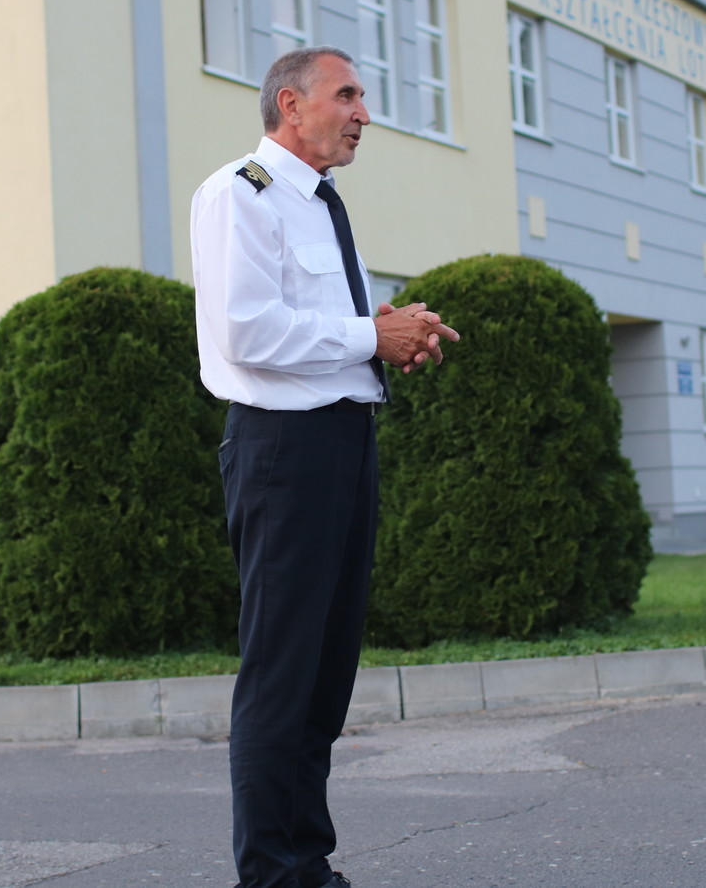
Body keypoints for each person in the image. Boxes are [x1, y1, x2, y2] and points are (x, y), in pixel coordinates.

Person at [190, 45, 459, 888]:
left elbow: (321, 331)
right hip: (283, 451)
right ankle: (273, 876)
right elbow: (246, 332)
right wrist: (368, 334)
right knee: (282, 674)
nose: (362, 114)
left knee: (324, 675)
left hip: (344, 441)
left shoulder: (320, 204)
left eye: (361, 98)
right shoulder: (240, 193)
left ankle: (306, 866)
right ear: (290, 104)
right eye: (346, 96)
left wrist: (390, 336)